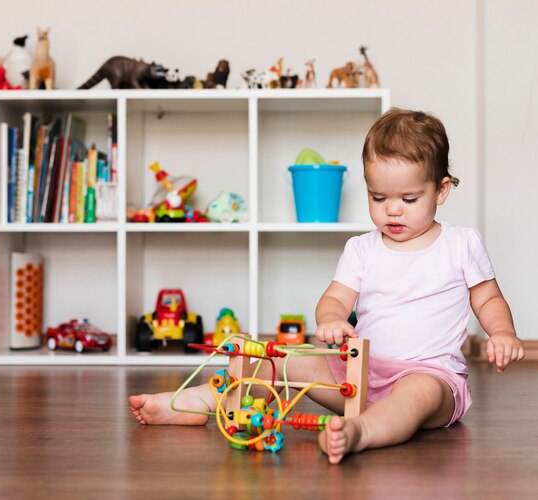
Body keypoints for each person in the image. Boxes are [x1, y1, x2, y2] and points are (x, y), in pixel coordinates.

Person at [129, 108, 525, 464]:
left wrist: (502, 331)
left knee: (416, 394)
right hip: (357, 376)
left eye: (408, 198)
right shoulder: (363, 248)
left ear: (440, 191)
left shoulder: (460, 244)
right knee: (281, 360)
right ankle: (200, 401)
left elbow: (487, 297)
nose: (392, 209)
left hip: (431, 376)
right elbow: (335, 297)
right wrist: (332, 319)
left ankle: (361, 432)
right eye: (378, 196)